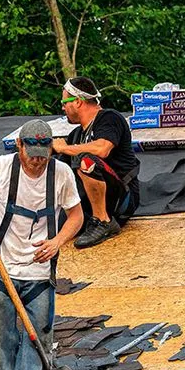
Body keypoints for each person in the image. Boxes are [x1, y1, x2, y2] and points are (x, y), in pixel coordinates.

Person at [0, 119, 83, 370]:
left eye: (42, 156)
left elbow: (76, 216)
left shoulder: (62, 174)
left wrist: (57, 241)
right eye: (31, 154)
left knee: (38, 339)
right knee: (1, 337)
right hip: (2, 271)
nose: (36, 162)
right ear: (19, 146)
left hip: (39, 275)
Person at [51, 76, 141, 249]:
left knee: (85, 160)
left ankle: (103, 221)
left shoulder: (109, 117)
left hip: (122, 197)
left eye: (64, 102)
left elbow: (102, 149)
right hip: (90, 201)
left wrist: (63, 148)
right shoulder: (76, 135)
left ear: (77, 101)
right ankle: (91, 218)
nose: (62, 108)